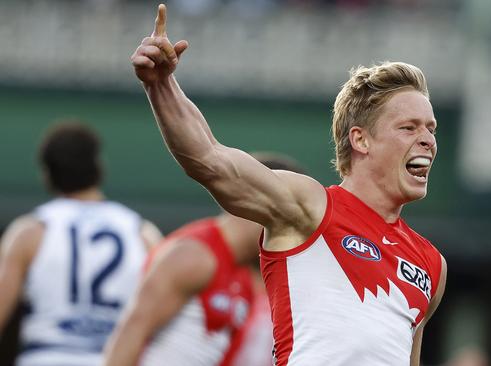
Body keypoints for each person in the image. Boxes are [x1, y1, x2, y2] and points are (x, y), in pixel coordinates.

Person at [130, 4, 447, 365]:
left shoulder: (432, 265)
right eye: (409, 127)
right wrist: (161, 86)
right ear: (361, 140)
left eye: (431, 129)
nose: (428, 140)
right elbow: (210, 160)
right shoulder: (310, 206)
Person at [103, 153, 303, 366]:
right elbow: (131, 331)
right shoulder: (195, 256)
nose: (294, 234)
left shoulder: (243, 276)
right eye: (290, 219)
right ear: (261, 203)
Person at [0, 121, 162, 366]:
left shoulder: (30, 232)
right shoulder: (142, 233)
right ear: (98, 166)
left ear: (47, 173)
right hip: (112, 358)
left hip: (45, 356)